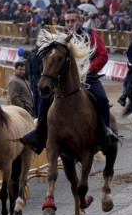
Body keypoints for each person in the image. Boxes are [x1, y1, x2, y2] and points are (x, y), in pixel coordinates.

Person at [19, 9, 118, 154]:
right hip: (64, 81)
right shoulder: (60, 38)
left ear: (80, 21)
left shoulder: (91, 34)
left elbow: (102, 56)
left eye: (73, 21)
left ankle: (104, 132)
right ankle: (39, 134)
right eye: (67, 21)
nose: (70, 24)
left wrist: (88, 70)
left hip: (88, 78)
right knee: (44, 100)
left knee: (102, 99)